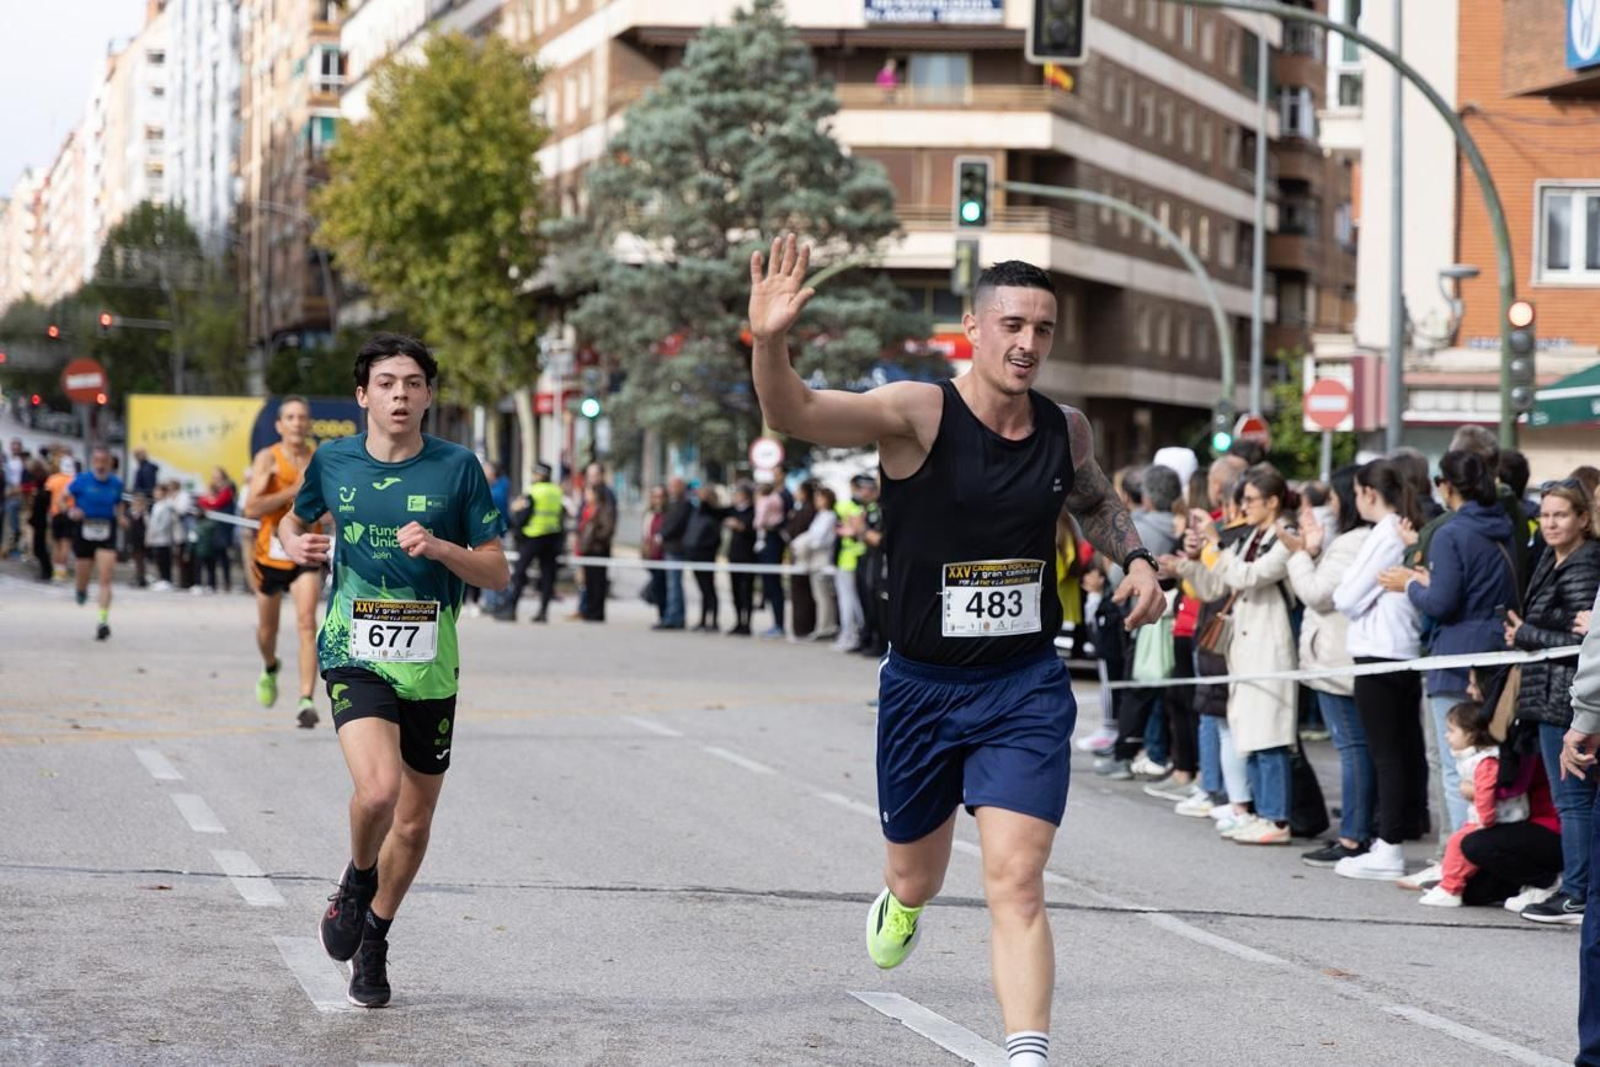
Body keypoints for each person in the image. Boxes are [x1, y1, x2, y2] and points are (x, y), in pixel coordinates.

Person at [749, 239, 1161, 1065]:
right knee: (918, 877)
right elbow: (793, 413)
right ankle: (902, 903)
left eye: (1043, 329)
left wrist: (1140, 559)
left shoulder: (1065, 428)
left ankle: (1027, 1052)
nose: (1028, 343)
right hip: (923, 688)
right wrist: (769, 341)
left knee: (1016, 878)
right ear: (971, 325)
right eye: (1012, 322)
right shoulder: (915, 413)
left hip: (1023, 687)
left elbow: (1094, 499)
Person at [277, 333, 508, 1009]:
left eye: (412, 382)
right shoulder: (334, 460)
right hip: (354, 647)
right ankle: (356, 878)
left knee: (412, 821)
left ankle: (374, 934)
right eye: (386, 382)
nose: (399, 394)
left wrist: (441, 546)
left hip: (430, 662)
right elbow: (291, 527)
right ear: (362, 395)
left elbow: (496, 570)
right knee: (376, 794)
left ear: (429, 395)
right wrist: (300, 542)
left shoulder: (458, 468)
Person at [1382, 450, 1517, 875]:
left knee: (1451, 759)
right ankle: (1482, 853)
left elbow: (1442, 601)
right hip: (1496, 645)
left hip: (1456, 650)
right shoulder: (1504, 527)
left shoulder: (1450, 532)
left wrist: (1411, 585)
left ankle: (1456, 857)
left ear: (1446, 485)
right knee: (1489, 758)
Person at [1171, 465, 1300, 846]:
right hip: (1242, 647)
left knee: (1270, 735)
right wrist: (1189, 564)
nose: (1244, 507)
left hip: (1268, 645)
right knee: (1249, 733)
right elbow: (1217, 585)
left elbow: (1249, 576)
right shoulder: (1249, 537)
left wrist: (1215, 544)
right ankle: (1259, 812)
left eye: (1250, 500)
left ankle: (1277, 817)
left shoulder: (1285, 536)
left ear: (1273, 502)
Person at [1505, 479, 1600, 924]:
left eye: (1560, 514)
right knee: (1572, 801)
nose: (1550, 523)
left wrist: (1525, 633)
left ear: (1583, 518)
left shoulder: (1584, 564)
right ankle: (1577, 888)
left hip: (1568, 697)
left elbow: (1581, 640)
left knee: (1573, 800)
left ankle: (1578, 893)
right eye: (1545, 515)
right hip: (1549, 694)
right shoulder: (1551, 557)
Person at [1332, 460, 1427, 880]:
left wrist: (1360, 595)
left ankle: (1388, 845)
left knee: (1386, 754)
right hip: (1396, 651)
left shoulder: (1386, 532)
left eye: (1356, 493)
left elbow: (1346, 596)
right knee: (1398, 751)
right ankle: (1391, 836)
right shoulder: (1396, 529)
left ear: (1369, 493)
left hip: (1380, 653)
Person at [1279, 464, 1375, 867]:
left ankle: (1354, 836)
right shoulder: (1355, 540)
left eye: (1333, 499)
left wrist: (1299, 555)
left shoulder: (1353, 541)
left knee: (1353, 748)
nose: (1330, 508)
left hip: (1338, 658)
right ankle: (1360, 828)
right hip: (1343, 655)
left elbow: (1317, 594)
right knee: (1359, 747)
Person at [244, 397, 324, 728]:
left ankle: (306, 700)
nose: (297, 422)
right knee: (268, 630)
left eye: (302, 417)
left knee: (307, 622)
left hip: (306, 550)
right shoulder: (268, 458)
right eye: (290, 417)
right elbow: (252, 508)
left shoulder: (320, 459)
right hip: (270, 553)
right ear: (279, 425)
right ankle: (270, 665)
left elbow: (328, 503)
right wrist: (293, 488)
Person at [1416, 702, 1528, 907]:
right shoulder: (1476, 759)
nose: (1446, 736)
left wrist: (1484, 822)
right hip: (1485, 818)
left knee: (1459, 843)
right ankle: (1450, 884)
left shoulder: (1485, 762)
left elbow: (1485, 794)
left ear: (1469, 735)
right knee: (1457, 842)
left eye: (1451, 731)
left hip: (1496, 819)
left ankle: (1451, 887)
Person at [64, 446, 126, 641]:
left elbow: (119, 504)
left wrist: (122, 517)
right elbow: (62, 499)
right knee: (83, 577)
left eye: (104, 461)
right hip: (84, 531)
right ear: (93, 462)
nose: (100, 465)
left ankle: (102, 621)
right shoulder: (82, 481)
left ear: (109, 463)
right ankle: (81, 590)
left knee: (106, 578)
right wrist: (71, 512)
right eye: (97, 461)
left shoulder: (116, 483)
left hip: (107, 531)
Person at [504, 462, 564, 623]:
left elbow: (523, 516)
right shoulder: (556, 491)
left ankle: (511, 609)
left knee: (519, 573)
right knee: (547, 576)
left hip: (532, 537)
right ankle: (543, 612)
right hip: (551, 537)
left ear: (538, 475)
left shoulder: (533, 491)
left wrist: (515, 524)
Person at [577, 464, 616, 622]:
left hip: (598, 547)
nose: (591, 479)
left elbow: (608, 525)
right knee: (589, 581)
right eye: (589, 475)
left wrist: (595, 538)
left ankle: (595, 612)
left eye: (593, 475)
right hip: (588, 547)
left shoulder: (606, 496)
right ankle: (587, 609)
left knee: (598, 581)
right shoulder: (587, 503)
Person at [656, 477, 692, 631]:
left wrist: (661, 535)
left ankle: (674, 617)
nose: (671, 489)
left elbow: (674, 524)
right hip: (669, 548)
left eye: (674, 486)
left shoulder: (684, 505)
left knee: (674, 585)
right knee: (673, 584)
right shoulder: (672, 504)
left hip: (676, 549)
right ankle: (674, 615)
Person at [754, 478, 788, 637]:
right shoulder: (777, 500)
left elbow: (759, 521)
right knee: (773, 586)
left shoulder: (765, 501)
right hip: (772, 542)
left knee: (773, 585)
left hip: (770, 543)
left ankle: (778, 624)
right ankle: (777, 623)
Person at [784, 480, 819, 639]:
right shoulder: (803, 509)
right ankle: (801, 628)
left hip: (803, 557)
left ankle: (803, 628)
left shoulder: (807, 511)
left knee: (802, 594)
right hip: (798, 556)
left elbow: (795, 532)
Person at [197, 466, 238, 594]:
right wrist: (206, 499)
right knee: (212, 555)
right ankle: (212, 583)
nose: (215, 478)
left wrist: (206, 500)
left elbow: (216, 503)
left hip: (223, 527)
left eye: (217, 475)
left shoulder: (228, 489)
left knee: (223, 555)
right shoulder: (214, 489)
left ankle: (227, 582)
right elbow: (204, 501)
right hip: (213, 527)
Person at [725, 482, 758, 635]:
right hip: (734, 556)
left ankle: (747, 624)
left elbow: (753, 530)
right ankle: (738, 621)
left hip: (748, 556)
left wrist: (741, 526)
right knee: (735, 592)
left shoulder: (753, 512)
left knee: (746, 592)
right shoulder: (733, 511)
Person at [642, 484, 669, 623]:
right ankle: (661, 615)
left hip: (663, 556)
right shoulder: (649, 514)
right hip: (651, 555)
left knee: (664, 587)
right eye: (655, 496)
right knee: (657, 588)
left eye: (660, 496)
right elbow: (645, 534)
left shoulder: (667, 514)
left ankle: (666, 615)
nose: (657, 500)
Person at [146, 483, 179, 590]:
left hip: (163, 537)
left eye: (159, 492)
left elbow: (165, 522)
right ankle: (161, 579)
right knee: (158, 559)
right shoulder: (156, 505)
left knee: (165, 559)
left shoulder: (166, 506)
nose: (156, 494)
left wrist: (157, 531)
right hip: (155, 537)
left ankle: (167, 580)